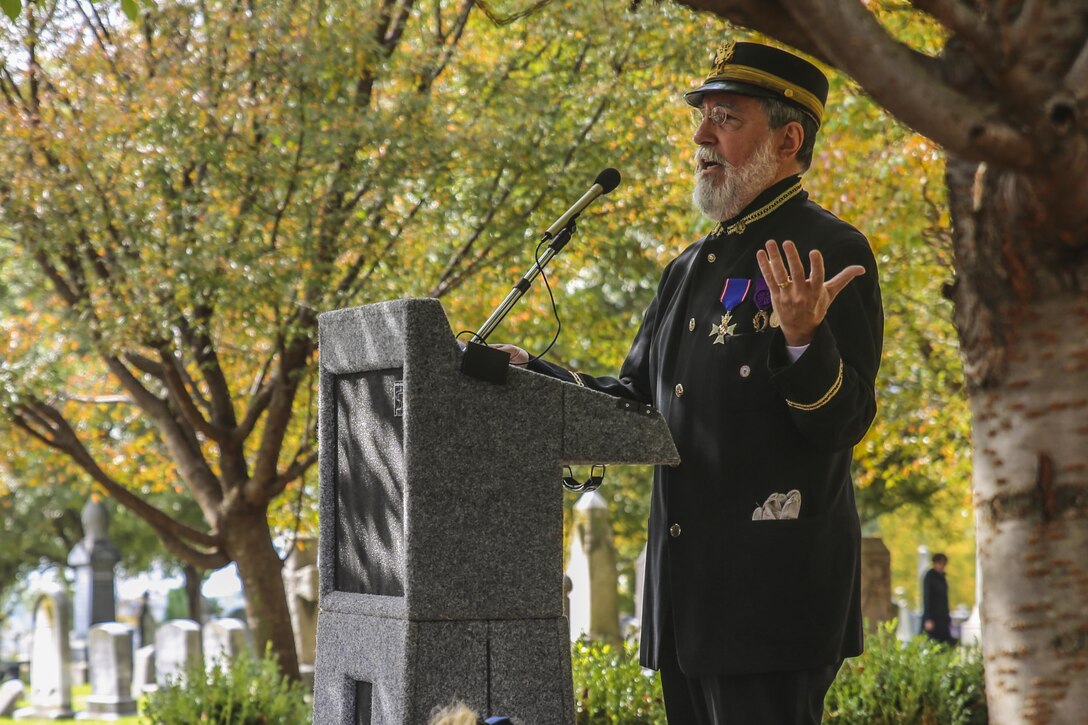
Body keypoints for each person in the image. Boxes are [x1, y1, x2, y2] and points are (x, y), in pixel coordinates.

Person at [498, 40, 883, 724]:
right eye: (702, 118)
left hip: (771, 602)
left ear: (789, 136)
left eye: (726, 119)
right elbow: (636, 403)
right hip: (687, 604)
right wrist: (536, 374)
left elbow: (842, 421)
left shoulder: (831, 249)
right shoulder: (685, 268)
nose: (702, 137)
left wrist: (801, 338)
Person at [922, 552, 956, 645]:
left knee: (946, 643)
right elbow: (927, 598)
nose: (942, 566)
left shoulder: (942, 577)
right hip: (933, 617)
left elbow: (945, 599)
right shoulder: (929, 577)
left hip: (943, 617)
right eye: (940, 563)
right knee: (933, 643)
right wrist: (928, 618)